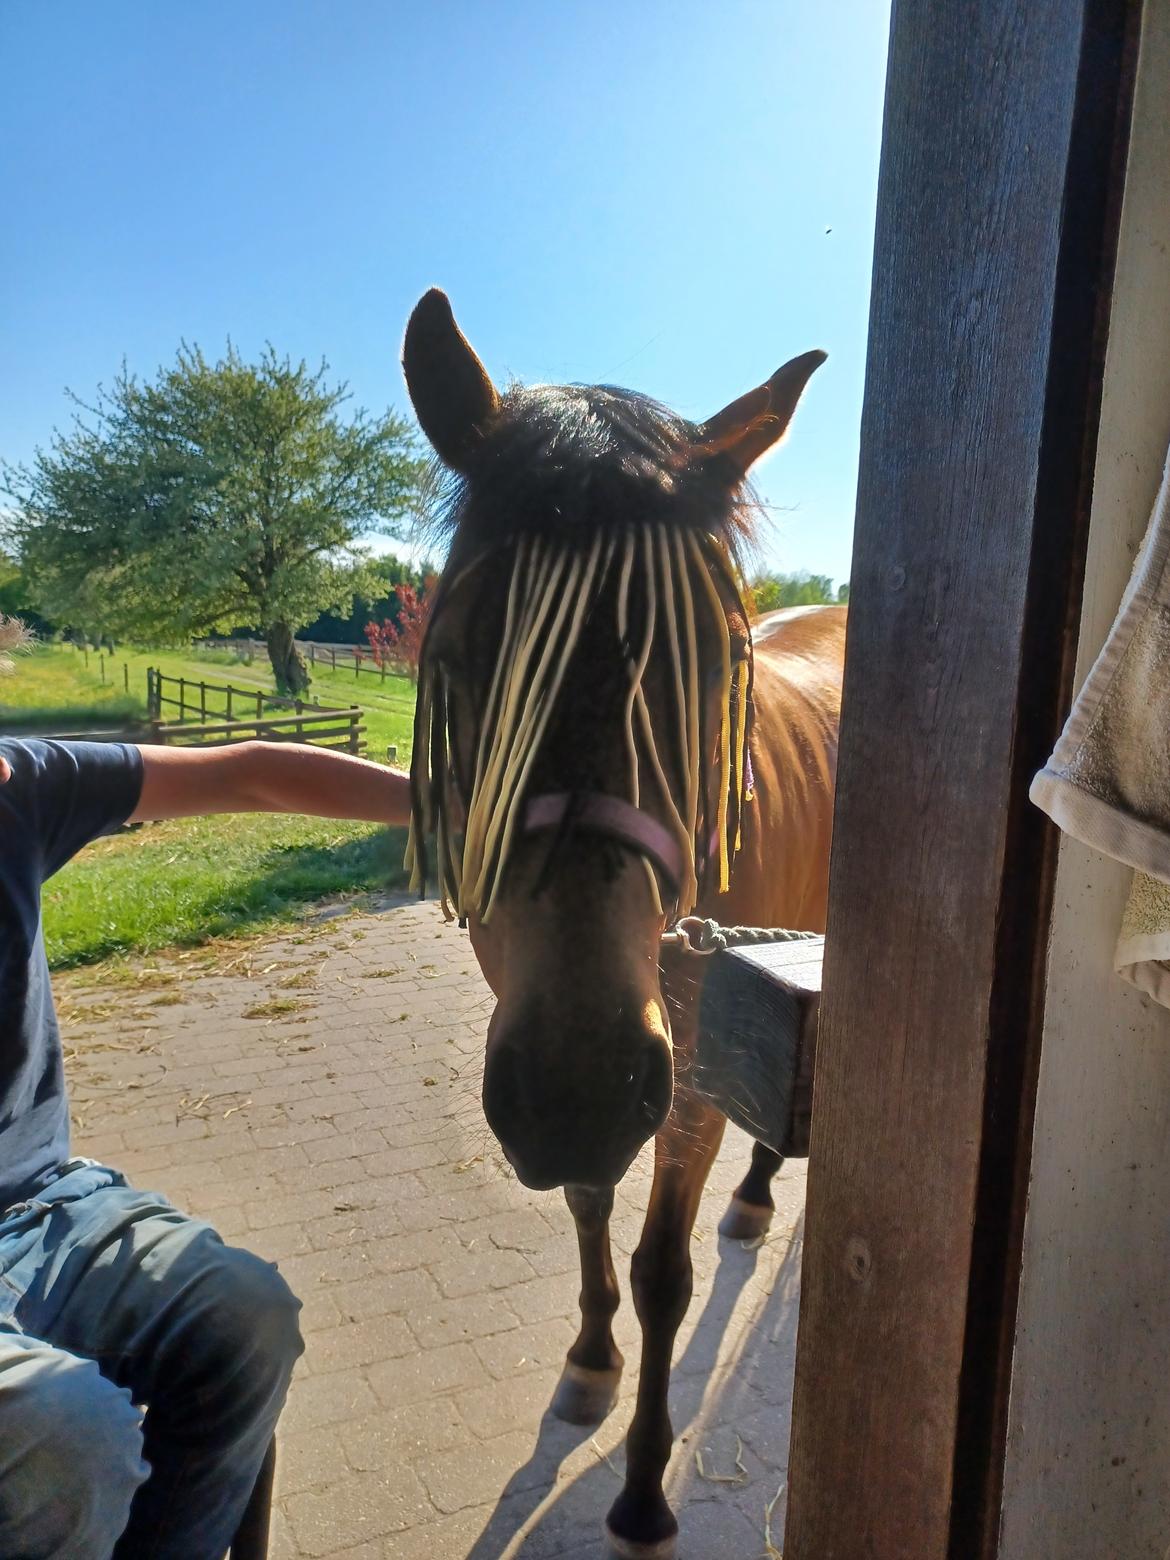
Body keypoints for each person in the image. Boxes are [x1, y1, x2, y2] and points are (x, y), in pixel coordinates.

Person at [0, 620, 414, 1559]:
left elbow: (246, 772)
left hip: (45, 1200)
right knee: (70, 1435)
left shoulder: (24, 788)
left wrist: (470, 807)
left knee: (247, 1316)